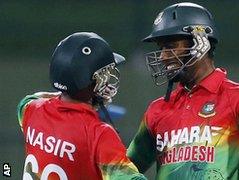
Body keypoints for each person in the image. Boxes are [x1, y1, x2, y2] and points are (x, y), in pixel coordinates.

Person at [127, 2, 239, 180]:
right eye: (161, 48)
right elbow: (123, 170)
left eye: (171, 46)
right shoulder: (156, 110)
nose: (163, 56)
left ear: (200, 43)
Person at [17, 32, 146, 180]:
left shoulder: (30, 109)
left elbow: (28, 99)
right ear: (88, 80)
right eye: (103, 75)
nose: (106, 81)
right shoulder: (99, 134)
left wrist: (70, 91)